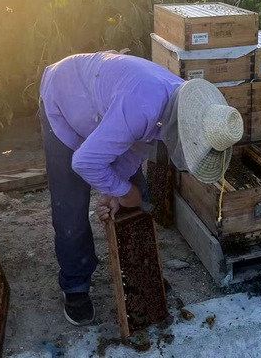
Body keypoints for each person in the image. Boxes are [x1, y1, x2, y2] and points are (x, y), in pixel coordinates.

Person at [39, 51, 243, 325]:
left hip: (106, 109)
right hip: (63, 99)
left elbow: (136, 146)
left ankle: (142, 276)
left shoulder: (176, 104)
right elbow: (85, 162)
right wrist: (122, 191)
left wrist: (115, 191)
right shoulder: (143, 106)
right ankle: (75, 285)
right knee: (71, 207)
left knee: (138, 193)